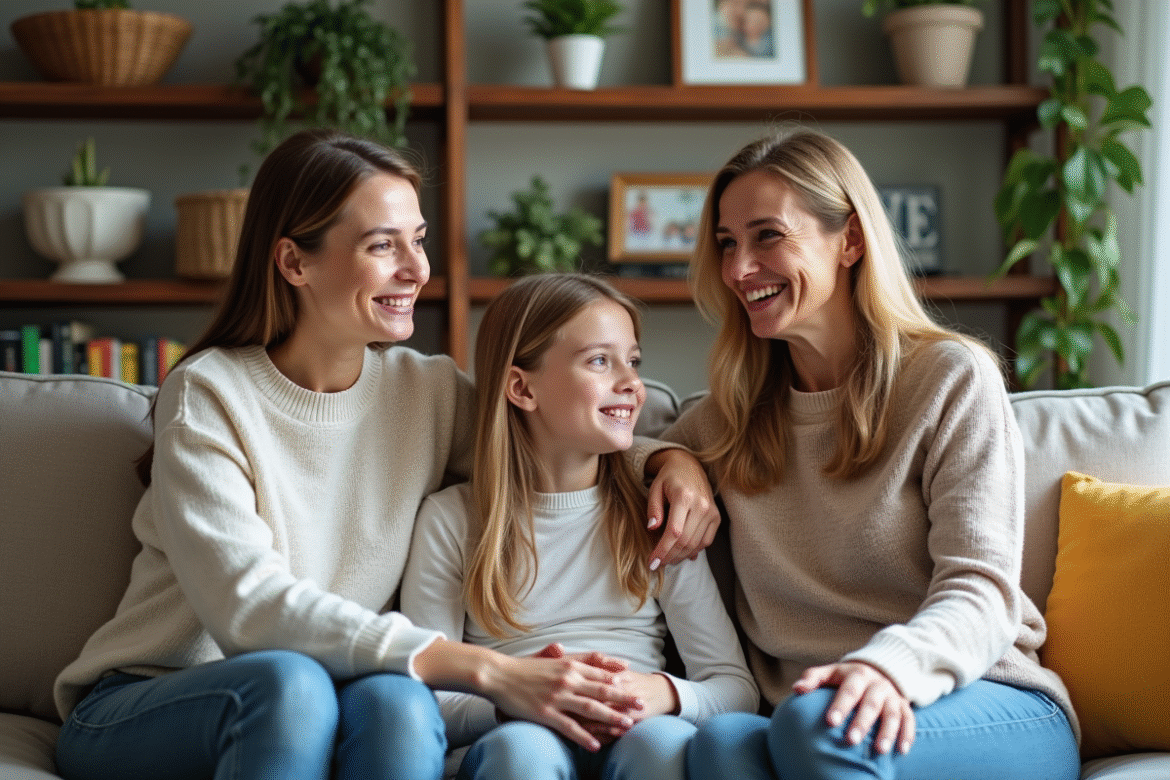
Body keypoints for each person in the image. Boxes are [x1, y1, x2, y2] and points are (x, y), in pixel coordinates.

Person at [51, 129, 719, 780]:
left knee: (397, 702)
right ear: (294, 263)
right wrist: (488, 670)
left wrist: (668, 464)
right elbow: (249, 608)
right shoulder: (209, 393)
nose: (417, 269)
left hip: (330, 685)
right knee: (291, 684)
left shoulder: (421, 390)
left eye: (419, 241)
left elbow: (540, 438)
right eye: (382, 245)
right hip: (152, 698)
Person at [665, 130, 1082, 780]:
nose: (738, 269)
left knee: (812, 728)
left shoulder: (950, 378)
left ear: (851, 240)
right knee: (721, 746)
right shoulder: (732, 417)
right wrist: (669, 463)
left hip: (981, 698)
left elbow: (982, 588)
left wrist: (887, 666)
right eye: (726, 243)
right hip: (812, 715)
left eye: (767, 236)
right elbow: (622, 449)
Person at [400, 273, 759, 780]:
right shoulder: (451, 521)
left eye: (633, 361)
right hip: (513, 734)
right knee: (523, 753)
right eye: (599, 360)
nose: (631, 383)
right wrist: (512, 699)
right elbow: (428, 692)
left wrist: (661, 691)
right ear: (522, 387)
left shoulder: (654, 516)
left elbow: (733, 686)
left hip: (639, 725)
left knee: (662, 745)